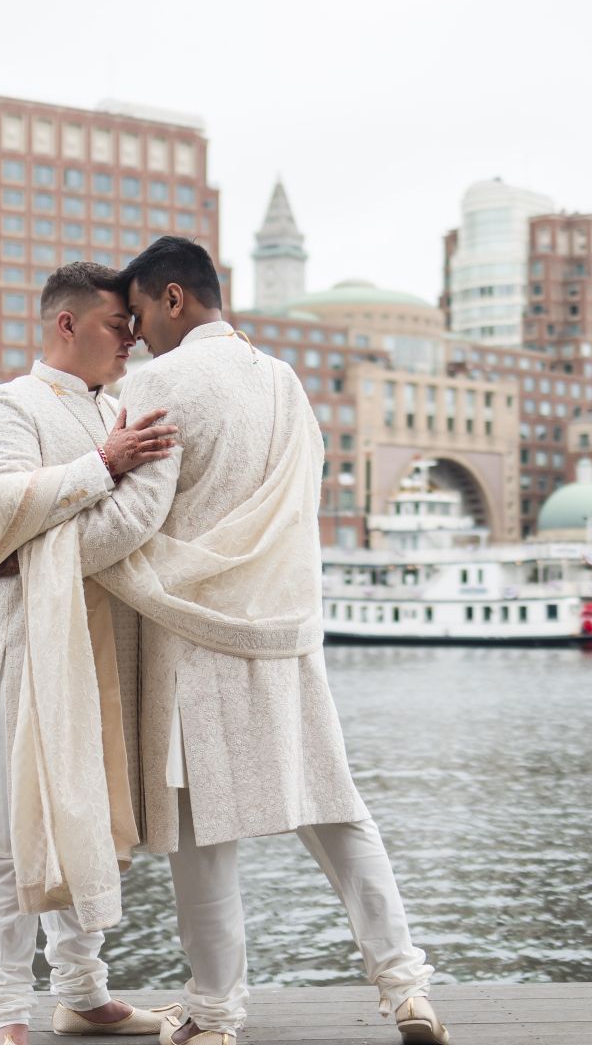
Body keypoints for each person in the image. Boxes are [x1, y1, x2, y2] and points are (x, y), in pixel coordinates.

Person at [70, 237, 449, 1045]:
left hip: (192, 633)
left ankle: (215, 1015)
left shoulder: (158, 385)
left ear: (174, 299)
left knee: (204, 839)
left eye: (139, 313)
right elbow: (302, 501)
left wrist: (43, 536)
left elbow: (134, 518)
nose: (136, 334)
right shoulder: (284, 381)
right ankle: (407, 984)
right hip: (282, 633)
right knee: (338, 814)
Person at [0, 262, 178, 1045]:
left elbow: (119, 526)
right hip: (24, 642)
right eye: (117, 324)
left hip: (106, 638)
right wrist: (103, 467)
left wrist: (83, 494)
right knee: (12, 829)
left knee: (97, 813)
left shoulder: (125, 408)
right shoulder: (7, 406)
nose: (131, 337)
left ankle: (83, 992)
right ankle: (4, 1015)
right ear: (66, 324)